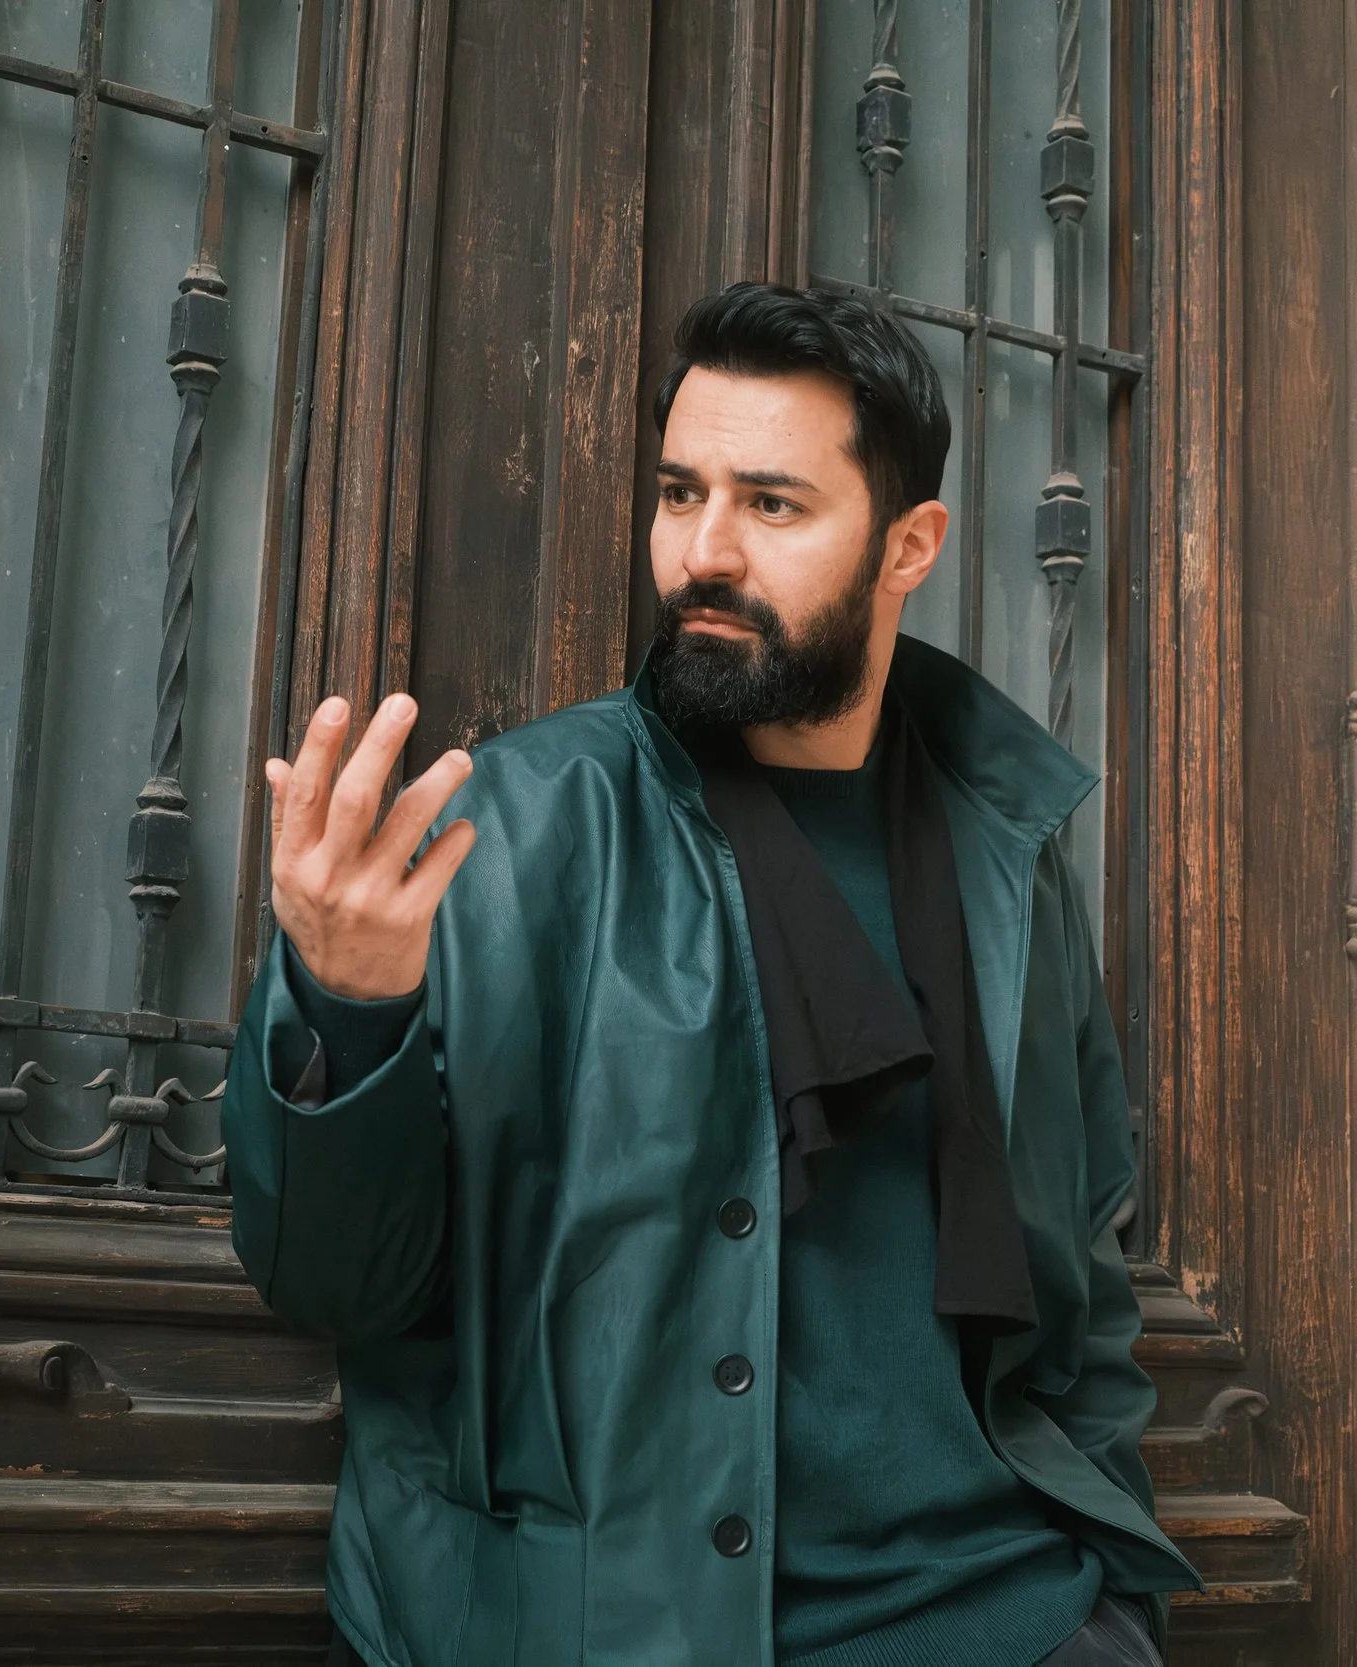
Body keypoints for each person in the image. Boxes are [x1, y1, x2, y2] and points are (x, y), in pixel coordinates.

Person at [224, 282, 1200, 1667]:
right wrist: (344, 1003)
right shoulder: (506, 832)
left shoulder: (1006, 849)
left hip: (1013, 1614)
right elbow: (334, 1287)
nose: (703, 552)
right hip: (626, 1626)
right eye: (681, 493)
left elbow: (1079, 1272)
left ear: (907, 543)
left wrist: (1108, 1609)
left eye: (773, 505)